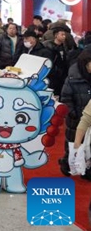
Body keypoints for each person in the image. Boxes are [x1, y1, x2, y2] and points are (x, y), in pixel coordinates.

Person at [61, 49, 91, 177]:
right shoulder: (73, 78)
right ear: (85, 63)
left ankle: (87, 168)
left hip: (89, 116)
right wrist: (72, 113)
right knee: (74, 143)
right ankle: (67, 163)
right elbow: (65, 97)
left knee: (89, 145)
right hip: (76, 116)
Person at [44, 25, 73, 96]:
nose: (64, 37)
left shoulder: (64, 47)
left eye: (64, 35)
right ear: (56, 35)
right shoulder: (50, 48)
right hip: (53, 77)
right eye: (62, 35)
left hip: (62, 76)